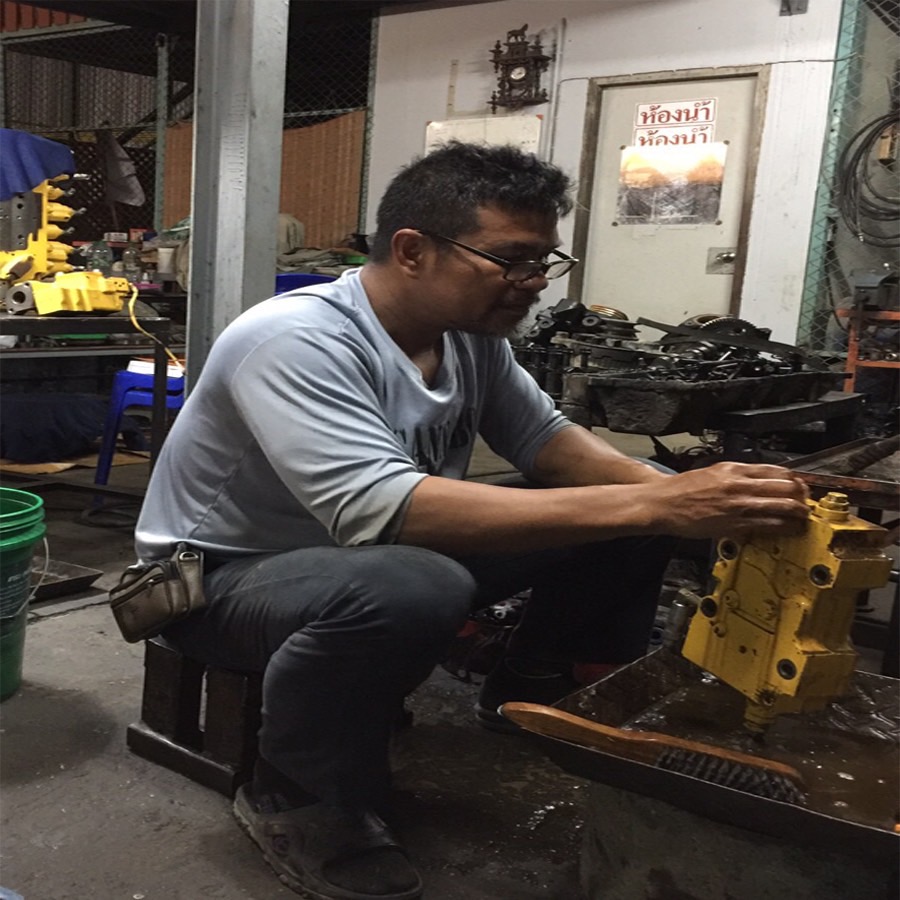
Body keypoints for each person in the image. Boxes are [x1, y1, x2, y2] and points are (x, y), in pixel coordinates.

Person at [133, 141, 809, 900]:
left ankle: (533, 682)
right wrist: (662, 501)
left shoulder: (469, 339)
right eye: (511, 260)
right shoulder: (296, 338)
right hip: (215, 582)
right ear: (412, 251)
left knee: (629, 506)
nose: (534, 282)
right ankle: (296, 795)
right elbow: (381, 508)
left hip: (360, 557)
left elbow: (547, 443)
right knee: (414, 584)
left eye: (544, 261)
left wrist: (683, 496)